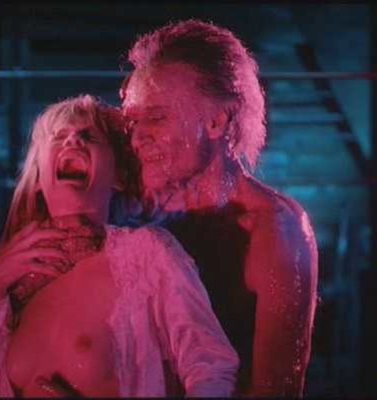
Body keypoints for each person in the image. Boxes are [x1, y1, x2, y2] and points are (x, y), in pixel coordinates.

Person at [0, 94, 238, 397]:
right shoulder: (15, 282)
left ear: (119, 176)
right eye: (58, 137)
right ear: (38, 177)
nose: (73, 141)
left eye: (88, 136)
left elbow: (211, 367)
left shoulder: (146, 253)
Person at [120, 20, 319, 397]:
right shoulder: (135, 213)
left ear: (217, 121)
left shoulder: (275, 229)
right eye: (132, 121)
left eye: (157, 117)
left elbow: (275, 391)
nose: (138, 137)